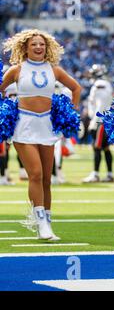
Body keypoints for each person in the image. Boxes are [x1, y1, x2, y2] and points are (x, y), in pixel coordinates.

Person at [0, 29, 81, 241]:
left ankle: (46, 222)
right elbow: (2, 89)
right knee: (35, 173)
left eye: (42, 44)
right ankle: (42, 223)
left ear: (47, 48)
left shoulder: (54, 70)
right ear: (25, 47)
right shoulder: (16, 70)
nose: (38, 47)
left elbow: (76, 88)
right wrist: (4, 110)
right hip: (23, 124)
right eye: (34, 44)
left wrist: (69, 113)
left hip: (47, 125)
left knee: (46, 178)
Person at [82, 64, 114, 183]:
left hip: (101, 121)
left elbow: (100, 105)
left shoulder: (100, 85)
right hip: (103, 120)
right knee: (105, 148)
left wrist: (94, 122)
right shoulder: (103, 84)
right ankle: (110, 175)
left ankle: (95, 174)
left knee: (97, 147)